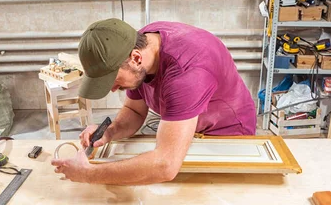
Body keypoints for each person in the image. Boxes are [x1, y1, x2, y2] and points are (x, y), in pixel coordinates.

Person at [51, 19, 257, 185]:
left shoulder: (186, 73)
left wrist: (90, 174)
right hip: (188, 128)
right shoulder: (139, 44)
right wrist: (110, 131)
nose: (112, 89)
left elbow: (165, 165)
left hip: (225, 135)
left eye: (112, 81)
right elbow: (135, 110)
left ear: (136, 58)